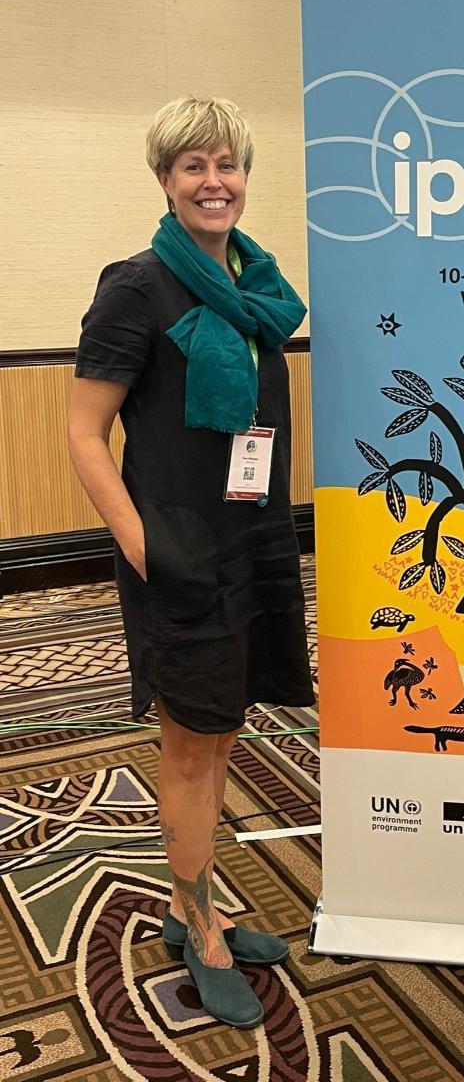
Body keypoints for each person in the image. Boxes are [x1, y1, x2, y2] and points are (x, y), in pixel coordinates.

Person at [68, 96, 314, 1029]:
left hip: (249, 539)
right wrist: (146, 550)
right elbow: (84, 435)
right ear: (165, 182)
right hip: (177, 550)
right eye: (193, 167)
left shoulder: (255, 287)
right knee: (189, 742)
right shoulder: (137, 287)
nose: (215, 182)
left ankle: (184, 905)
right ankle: (204, 930)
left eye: (228, 165)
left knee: (222, 732)